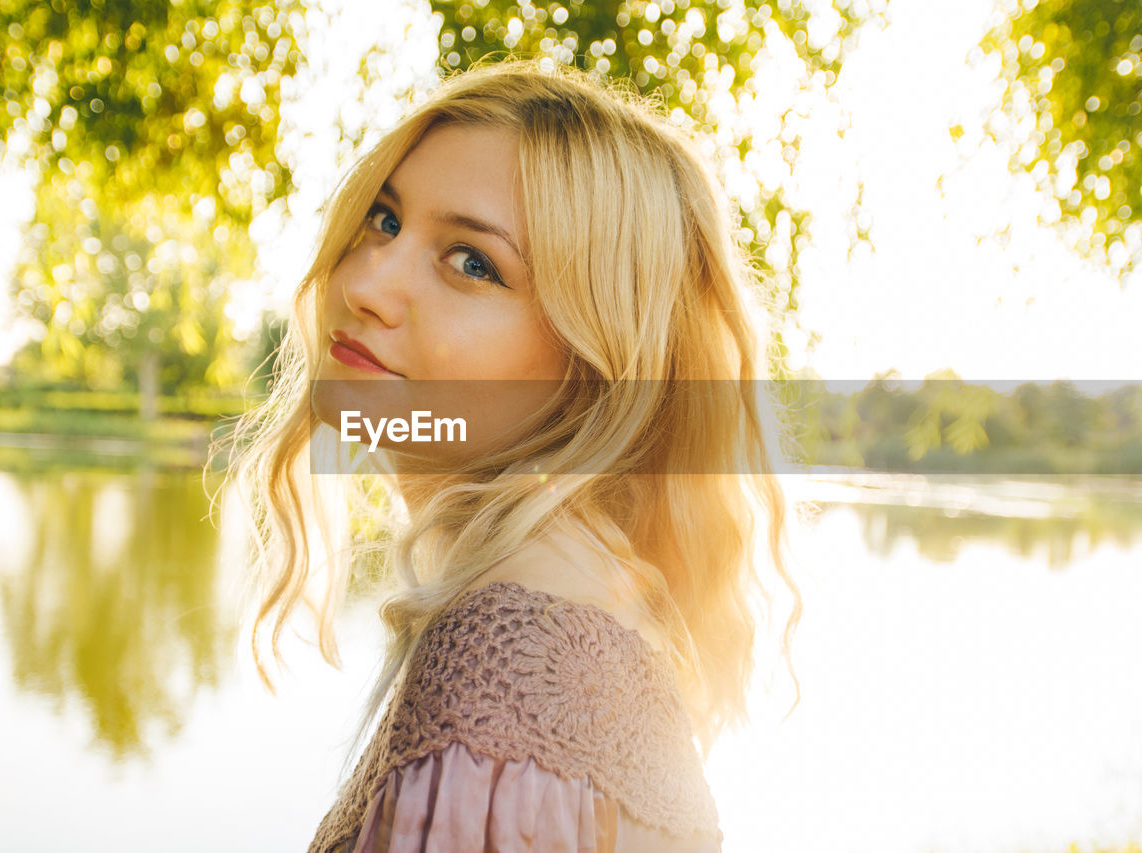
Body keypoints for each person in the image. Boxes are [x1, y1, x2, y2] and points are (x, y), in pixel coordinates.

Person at [215, 57, 801, 851]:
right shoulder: (575, 611)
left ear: (593, 364)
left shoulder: (506, 663)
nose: (369, 282)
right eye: (384, 220)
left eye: (472, 263)